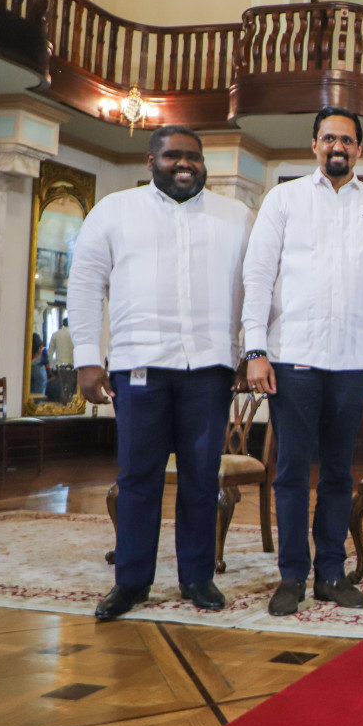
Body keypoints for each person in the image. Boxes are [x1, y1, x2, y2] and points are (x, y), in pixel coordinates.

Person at [69, 125, 253, 620]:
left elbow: (255, 288)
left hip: (209, 369)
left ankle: (197, 577)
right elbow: (84, 283)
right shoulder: (114, 211)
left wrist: (251, 350)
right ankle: (131, 582)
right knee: (138, 477)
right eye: (173, 155)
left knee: (201, 478)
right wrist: (87, 358)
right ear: (151, 162)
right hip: (139, 367)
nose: (184, 163)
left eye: (193, 156)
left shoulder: (236, 216)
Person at [243, 106, 363, 617]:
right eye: (329, 138)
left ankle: (331, 574)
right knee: (291, 471)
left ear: (359, 149)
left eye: (347, 140)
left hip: (353, 361)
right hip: (292, 356)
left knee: (339, 472)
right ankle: (292, 576)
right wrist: (255, 349)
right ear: (315, 144)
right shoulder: (284, 199)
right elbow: (258, 274)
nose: (338, 147)